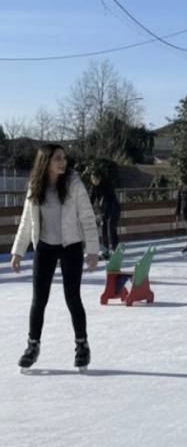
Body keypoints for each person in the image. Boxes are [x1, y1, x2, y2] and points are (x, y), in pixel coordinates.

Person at [10, 144, 99, 371]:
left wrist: (92, 250)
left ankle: (82, 346)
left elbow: (87, 218)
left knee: (73, 298)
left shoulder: (74, 184)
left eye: (64, 158)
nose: (63, 162)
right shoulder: (35, 186)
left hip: (71, 246)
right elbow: (26, 221)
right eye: (57, 158)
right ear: (46, 161)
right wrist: (17, 251)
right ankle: (32, 346)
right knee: (39, 300)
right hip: (45, 248)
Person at [89, 169, 120, 260]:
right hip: (104, 211)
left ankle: (115, 249)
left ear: (100, 178)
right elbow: (91, 200)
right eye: (92, 179)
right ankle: (106, 250)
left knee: (111, 229)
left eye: (95, 179)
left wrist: (104, 213)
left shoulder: (107, 185)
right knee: (104, 230)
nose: (94, 181)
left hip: (113, 209)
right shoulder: (93, 188)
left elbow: (109, 200)